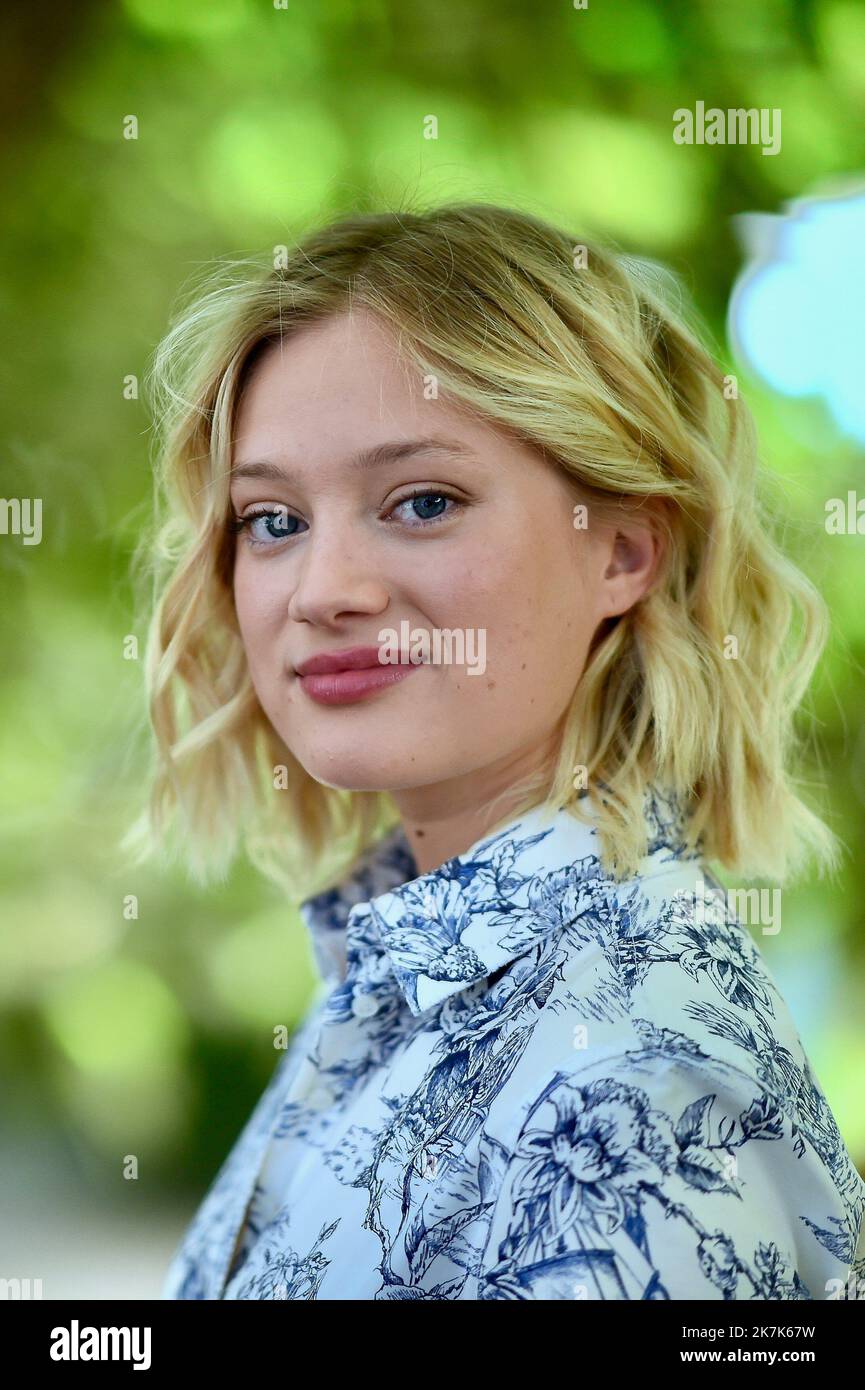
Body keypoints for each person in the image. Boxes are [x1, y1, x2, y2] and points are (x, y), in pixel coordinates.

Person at [132, 202, 865, 1300]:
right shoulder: (404, 987)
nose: (325, 589)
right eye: (272, 520)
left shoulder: (632, 1088)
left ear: (621, 550)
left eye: (421, 502)